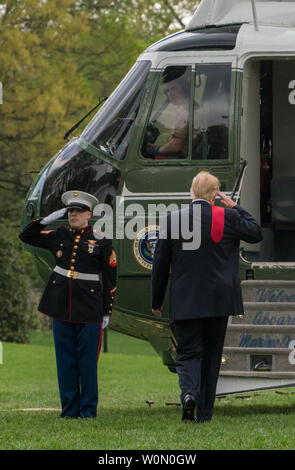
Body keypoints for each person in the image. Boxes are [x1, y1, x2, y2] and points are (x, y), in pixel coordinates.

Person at [151, 171, 262, 423]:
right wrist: (237, 207)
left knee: (189, 353)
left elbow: (160, 264)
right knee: (212, 356)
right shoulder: (229, 217)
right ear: (215, 194)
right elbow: (256, 233)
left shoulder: (172, 220)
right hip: (220, 300)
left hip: (186, 300)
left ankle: (189, 394)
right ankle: (204, 413)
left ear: (191, 191)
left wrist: (156, 301)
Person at [19, 190, 117, 418]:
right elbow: (26, 236)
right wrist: (46, 219)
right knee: (65, 362)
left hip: (89, 308)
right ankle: (69, 410)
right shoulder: (59, 234)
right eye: (70, 210)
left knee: (87, 364)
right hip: (61, 305)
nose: (73, 215)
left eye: (78, 211)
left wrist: (107, 311)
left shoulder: (102, 241)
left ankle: (88, 411)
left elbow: (110, 279)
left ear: (89, 214)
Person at [146, 67, 190, 159]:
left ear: (184, 88)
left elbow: (175, 146)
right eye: (167, 90)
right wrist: (156, 147)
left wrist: (156, 151)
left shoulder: (185, 112)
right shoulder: (186, 107)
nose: (170, 93)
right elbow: (175, 141)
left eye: (173, 89)